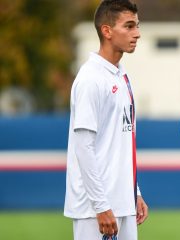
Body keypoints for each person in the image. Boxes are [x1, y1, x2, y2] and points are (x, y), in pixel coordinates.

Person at [64, 1, 148, 239]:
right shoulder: (91, 79)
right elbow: (84, 147)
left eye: (137, 26)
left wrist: (135, 192)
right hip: (96, 210)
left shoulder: (121, 76)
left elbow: (120, 145)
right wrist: (101, 206)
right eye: (129, 26)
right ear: (107, 31)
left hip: (123, 203)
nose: (137, 34)